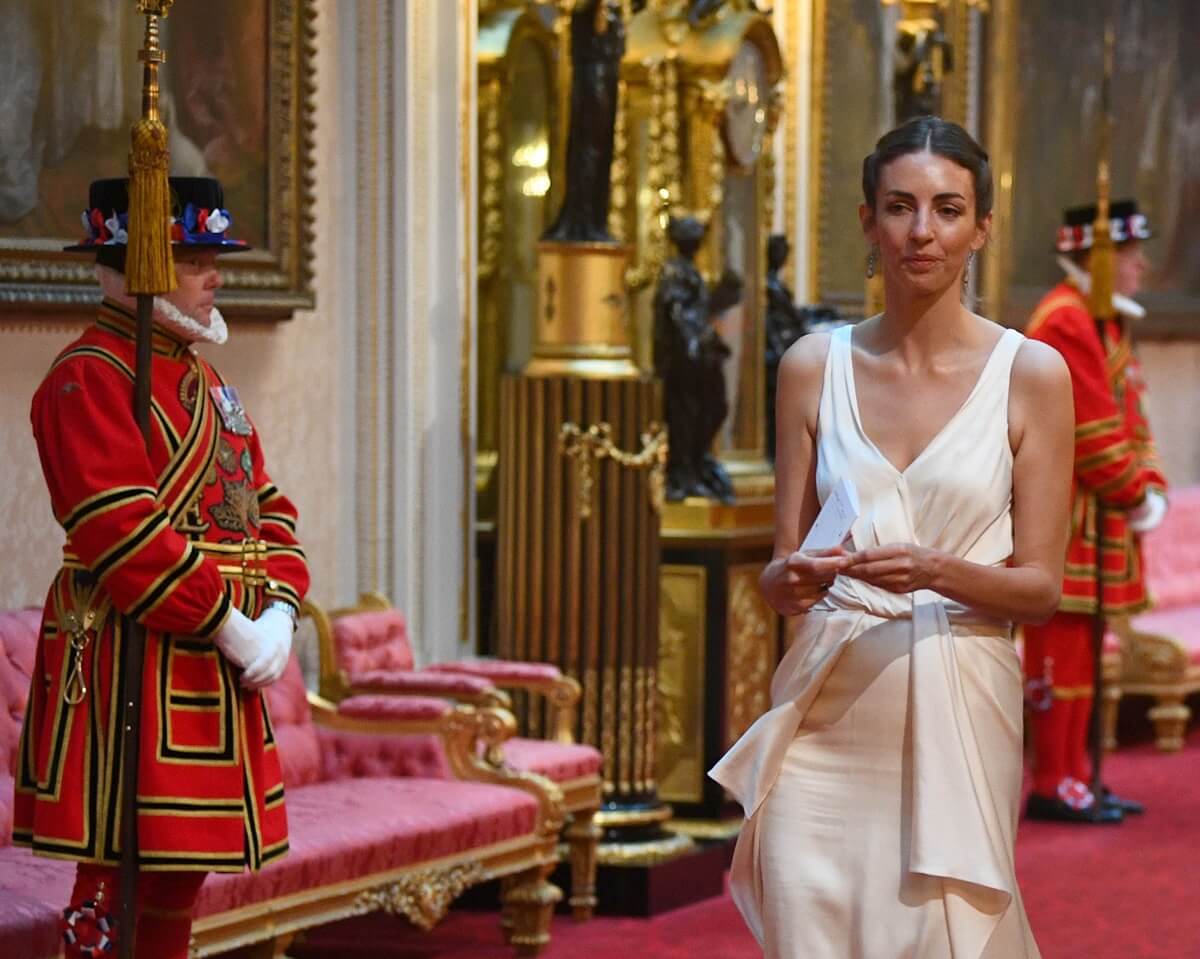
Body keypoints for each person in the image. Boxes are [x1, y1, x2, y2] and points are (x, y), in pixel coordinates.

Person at [710, 116, 1074, 958]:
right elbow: (777, 571)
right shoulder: (810, 364)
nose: (923, 231)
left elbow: (1042, 589)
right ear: (869, 221)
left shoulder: (1032, 375)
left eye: (948, 209)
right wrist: (789, 580)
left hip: (960, 711)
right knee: (806, 923)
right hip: (821, 720)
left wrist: (935, 569)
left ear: (981, 226)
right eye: (900, 206)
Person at [12, 176, 309, 958]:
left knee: (181, 875)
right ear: (141, 261)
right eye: (195, 255)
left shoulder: (208, 383)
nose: (216, 274)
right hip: (128, 659)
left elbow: (269, 507)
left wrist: (278, 611)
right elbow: (123, 535)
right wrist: (228, 622)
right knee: (114, 874)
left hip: (208, 670)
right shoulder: (87, 378)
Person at [1021, 199, 1167, 824]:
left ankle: (1079, 775)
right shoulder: (1064, 321)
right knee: (1061, 653)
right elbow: (1087, 430)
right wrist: (1136, 492)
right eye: (1132, 257)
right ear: (1102, 260)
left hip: (1101, 519)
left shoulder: (1107, 323)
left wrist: (1150, 482)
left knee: (1087, 648)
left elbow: (1133, 419)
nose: (1142, 267)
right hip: (1067, 517)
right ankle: (1053, 781)